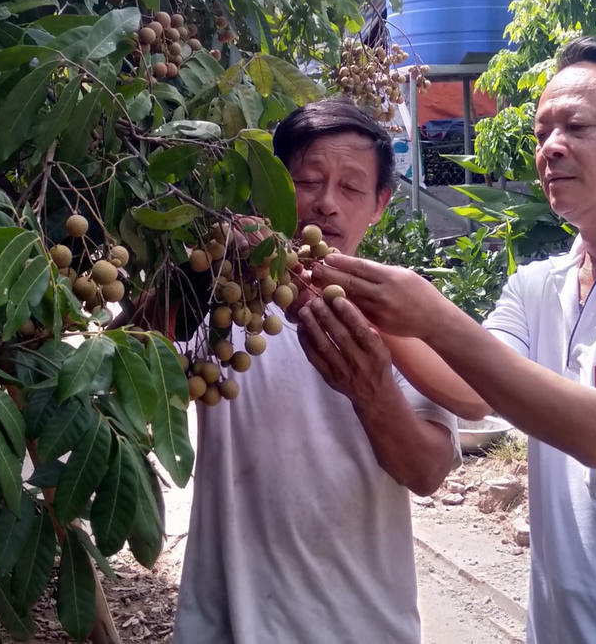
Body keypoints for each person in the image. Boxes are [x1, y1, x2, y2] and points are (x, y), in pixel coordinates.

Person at [309, 38, 596, 644]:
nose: (551, 147)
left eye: (576, 126)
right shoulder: (538, 285)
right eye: (541, 132)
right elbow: (469, 393)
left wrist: (431, 315)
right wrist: (366, 307)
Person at [172, 98, 462, 644]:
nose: (326, 203)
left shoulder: (402, 314)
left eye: (351, 188)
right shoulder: (219, 299)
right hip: (222, 627)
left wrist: (370, 389)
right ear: (272, 189)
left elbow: (427, 473)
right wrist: (200, 269)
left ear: (379, 204)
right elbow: (134, 377)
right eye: (307, 181)